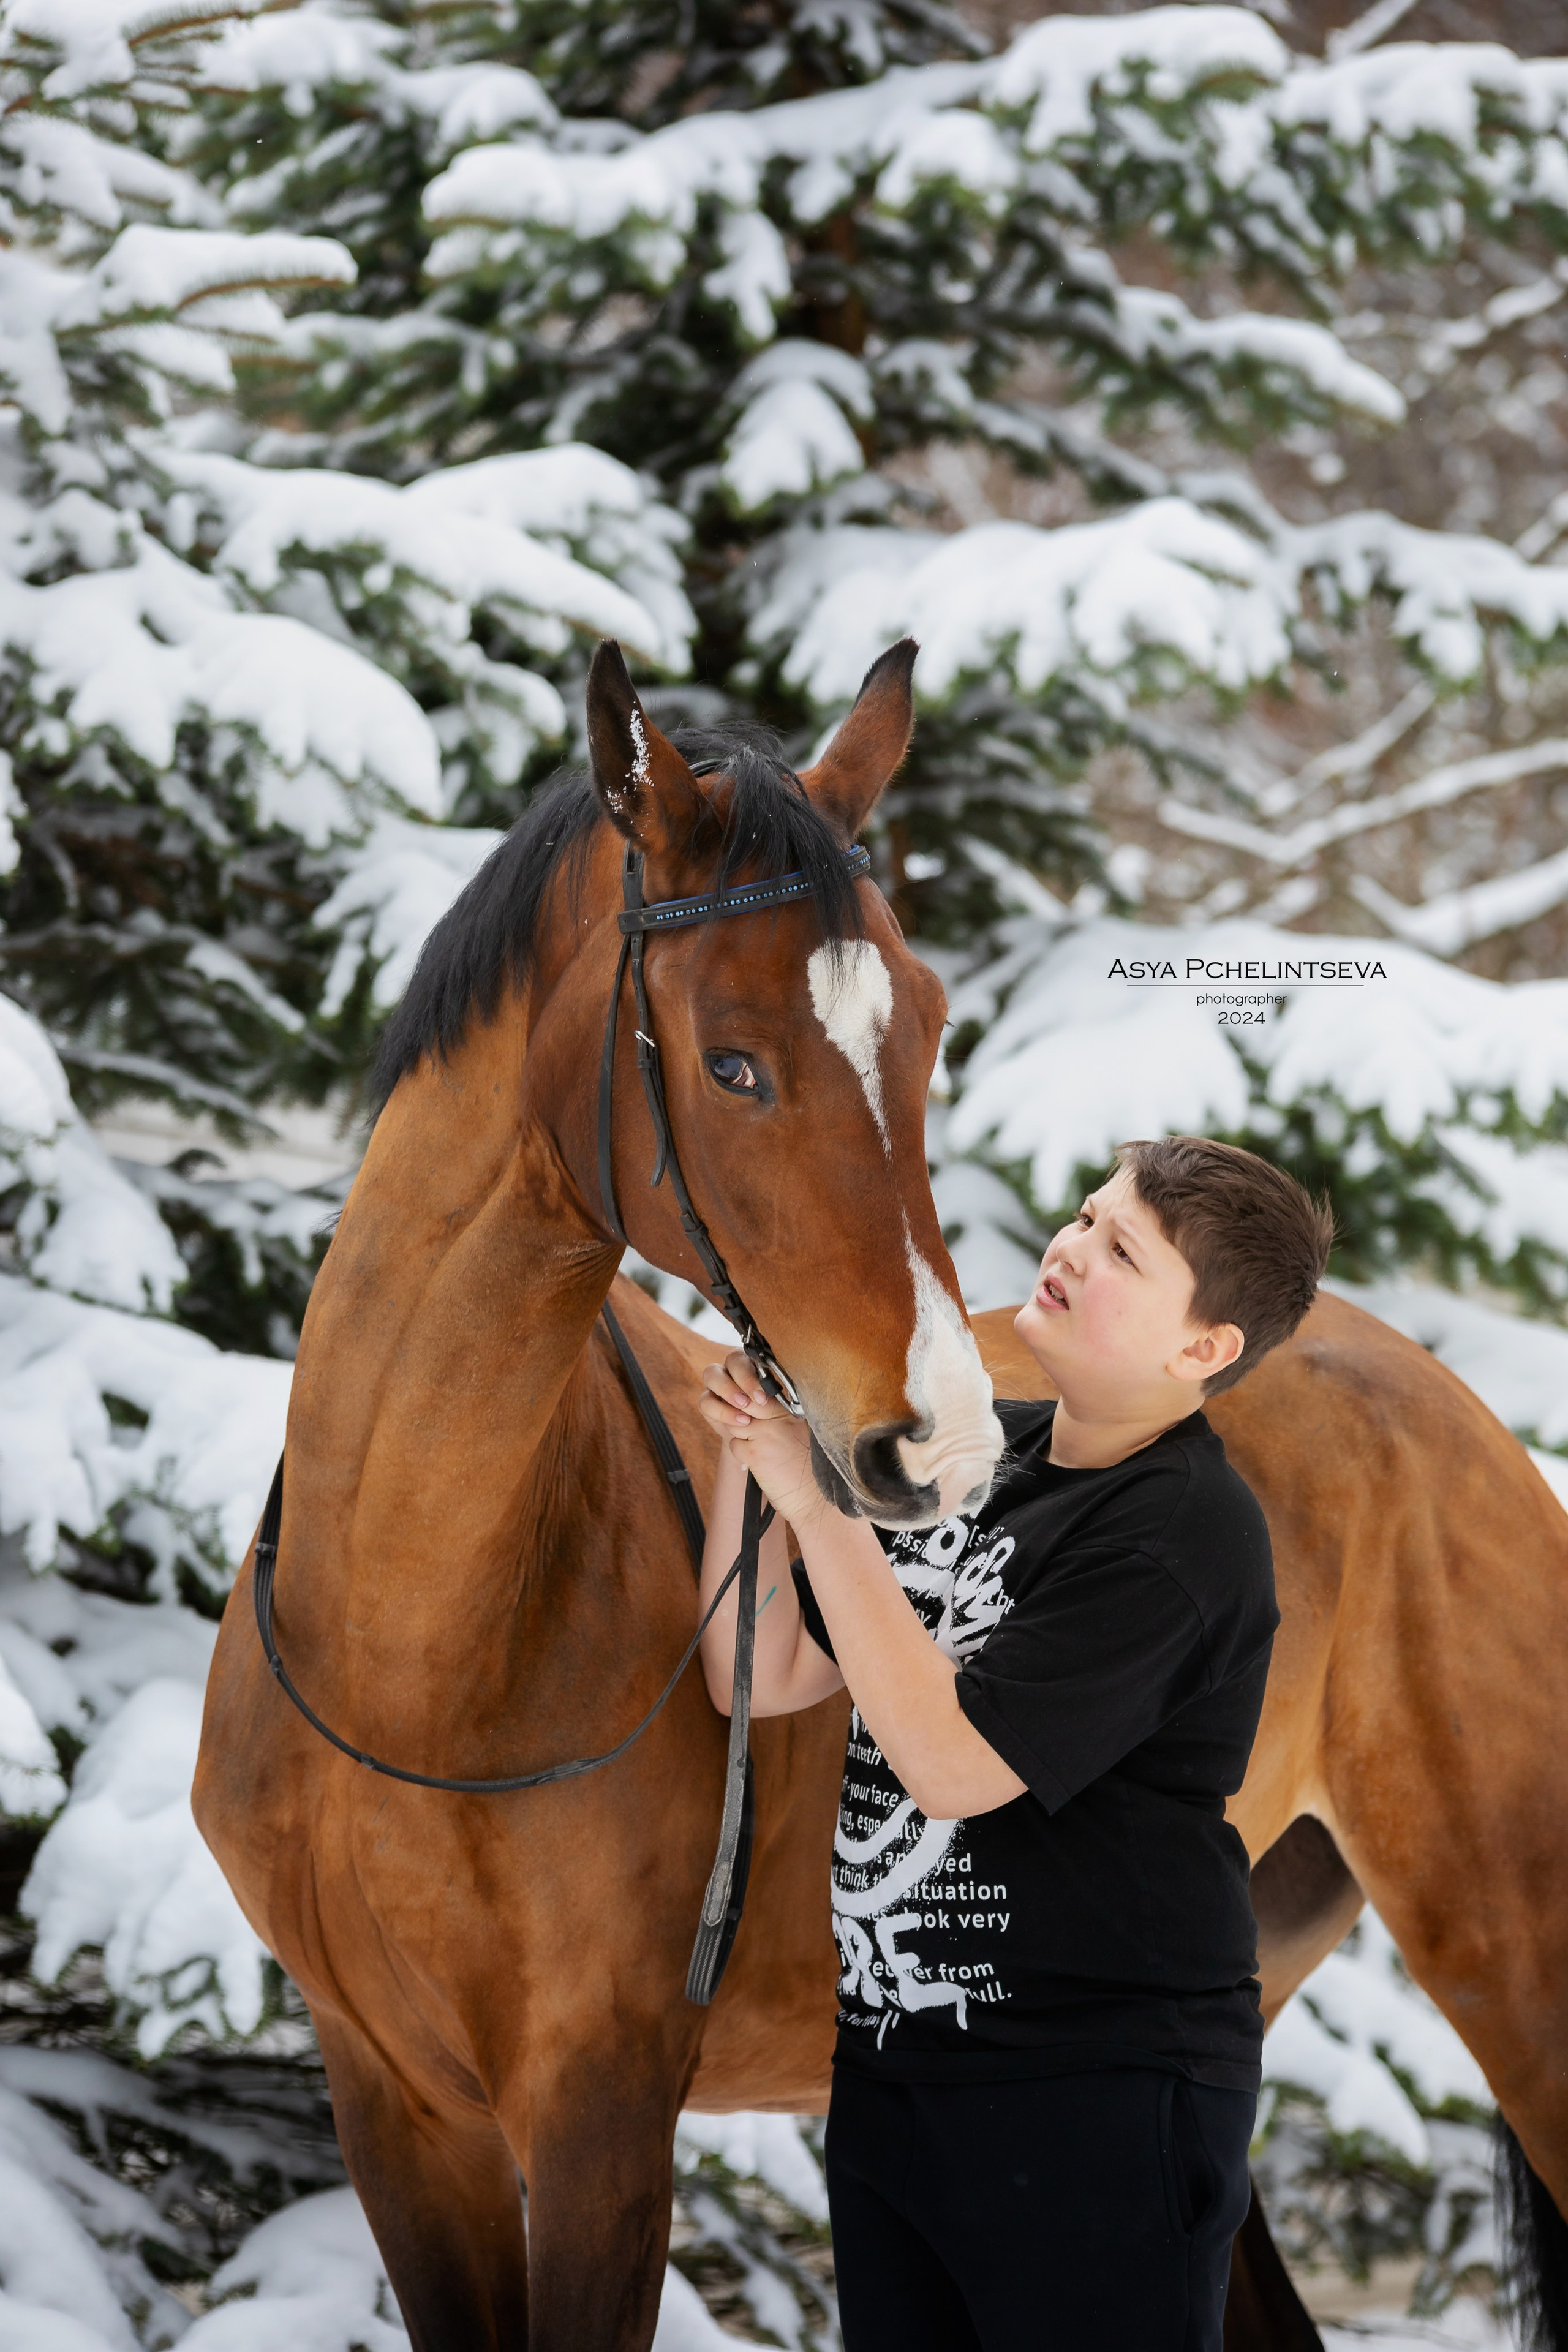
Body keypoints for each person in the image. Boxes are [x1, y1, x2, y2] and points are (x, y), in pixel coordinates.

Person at [695, 1134, 1333, 2352]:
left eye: (1119, 1254)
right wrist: (759, 1423)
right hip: (897, 2081)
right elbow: (755, 1668)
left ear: (1199, 1350)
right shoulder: (984, 1465)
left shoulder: (1179, 1534)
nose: (1069, 1249)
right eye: (1084, 1219)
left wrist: (820, 1506)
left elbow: (951, 1767)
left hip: (1092, 2100)